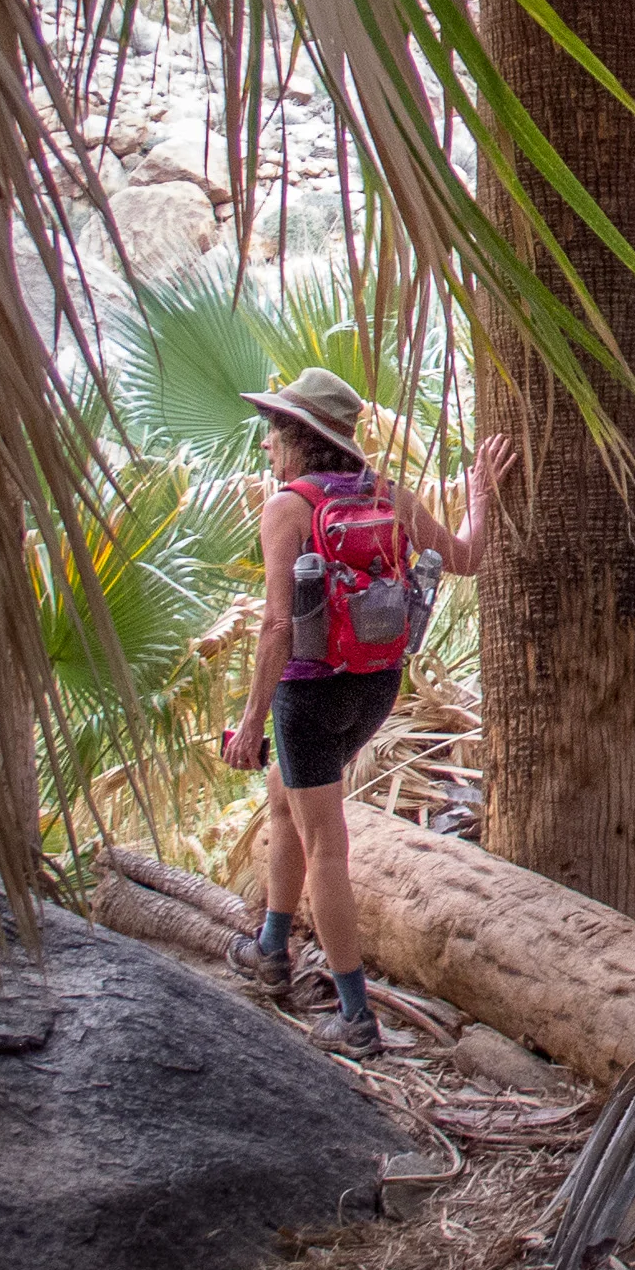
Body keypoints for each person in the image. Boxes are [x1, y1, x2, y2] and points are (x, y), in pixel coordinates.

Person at [221, 366, 509, 1056]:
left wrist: (256, 717)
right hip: (374, 687)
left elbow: (276, 628)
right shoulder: (390, 495)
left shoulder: (287, 507)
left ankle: (355, 1018)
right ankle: (270, 950)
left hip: (308, 694)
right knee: (286, 800)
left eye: (273, 434)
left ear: (298, 440)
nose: (267, 448)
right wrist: (480, 494)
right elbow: (465, 557)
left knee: (326, 841)